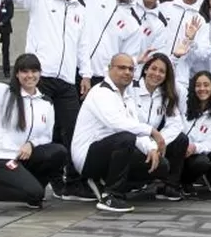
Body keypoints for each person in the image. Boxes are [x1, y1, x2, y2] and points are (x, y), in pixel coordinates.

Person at [3, 0, 96, 202]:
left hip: (67, 80)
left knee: (73, 130)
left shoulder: (81, 7)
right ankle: (51, 180)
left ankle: (73, 182)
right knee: (42, 131)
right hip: (39, 79)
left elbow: (83, 44)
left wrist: (86, 74)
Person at [0, 33, 68, 210]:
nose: (30, 76)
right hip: (1, 158)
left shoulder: (45, 102)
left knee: (58, 151)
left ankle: (32, 189)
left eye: (34, 71)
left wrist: (31, 144)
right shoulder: (5, 94)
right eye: (24, 71)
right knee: (37, 194)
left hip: (24, 156)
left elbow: (46, 136)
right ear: (17, 74)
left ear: (40, 73)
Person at [71, 54, 169, 213]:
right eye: (121, 68)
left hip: (113, 151)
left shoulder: (126, 98)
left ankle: (106, 181)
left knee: (161, 165)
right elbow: (116, 123)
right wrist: (152, 131)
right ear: (110, 69)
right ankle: (111, 196)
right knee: (125, 138)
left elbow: (134, 127)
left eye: (131, 69)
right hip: (87, 156)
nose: (127, 72)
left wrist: (150, 148)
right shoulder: (100, 92)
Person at [130, 54, 187, 202]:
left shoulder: (165, 94)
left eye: (162, 71)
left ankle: (169, 186)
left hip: (153, 143)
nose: (157, 74)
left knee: (181, 139)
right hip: (133, 140)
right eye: (153, 68)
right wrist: (149, 145)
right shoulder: (131, 88)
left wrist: (157, 143)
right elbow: (131, 124)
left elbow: (175, 123)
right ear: (145, 69)